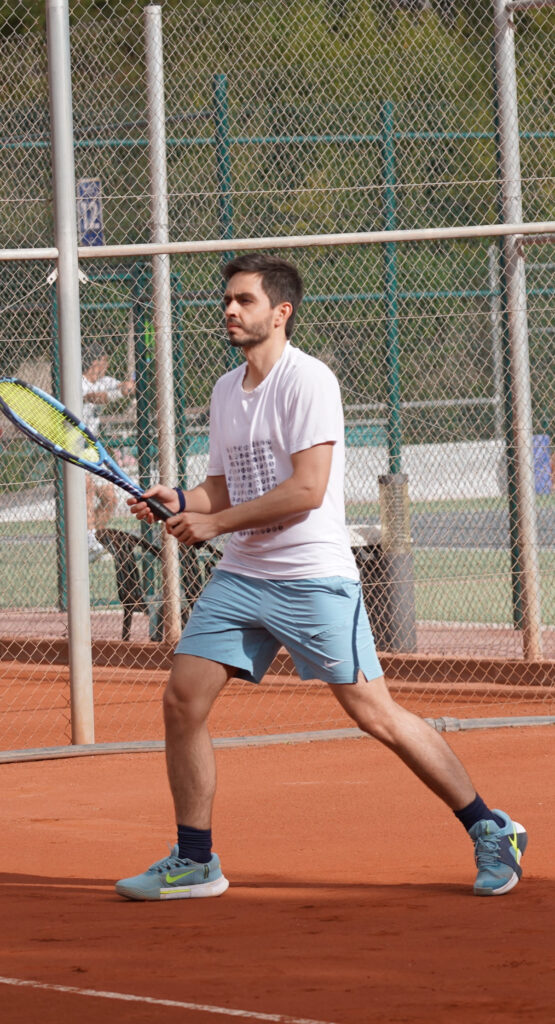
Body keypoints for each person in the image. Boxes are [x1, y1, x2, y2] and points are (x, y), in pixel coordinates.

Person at [115, 253, 527, 902]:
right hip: (242, 575)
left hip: (311, 578)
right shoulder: (227, 391)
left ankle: (489, 827)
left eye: (244, 300)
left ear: (279, 313)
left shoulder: (308, 382)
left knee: (374, 714)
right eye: (226, 299)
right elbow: (223, 483)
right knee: (181, 700)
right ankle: (195, 859)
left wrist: (215, 523)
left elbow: (306, 490)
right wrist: (183, 499)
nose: (229, 309)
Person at [81, 341, 135, 559]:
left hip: (92, 449)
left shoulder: (104, 380)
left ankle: (92, 540)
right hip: (74, 448)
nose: (106, 366)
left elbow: (117, 386)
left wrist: (128, 386)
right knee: (87, 489)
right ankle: (87, 542)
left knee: (110, 499)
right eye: (104, 362)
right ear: (96, 362)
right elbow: (94, 397)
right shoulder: (77, 382)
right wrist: (119, 393)